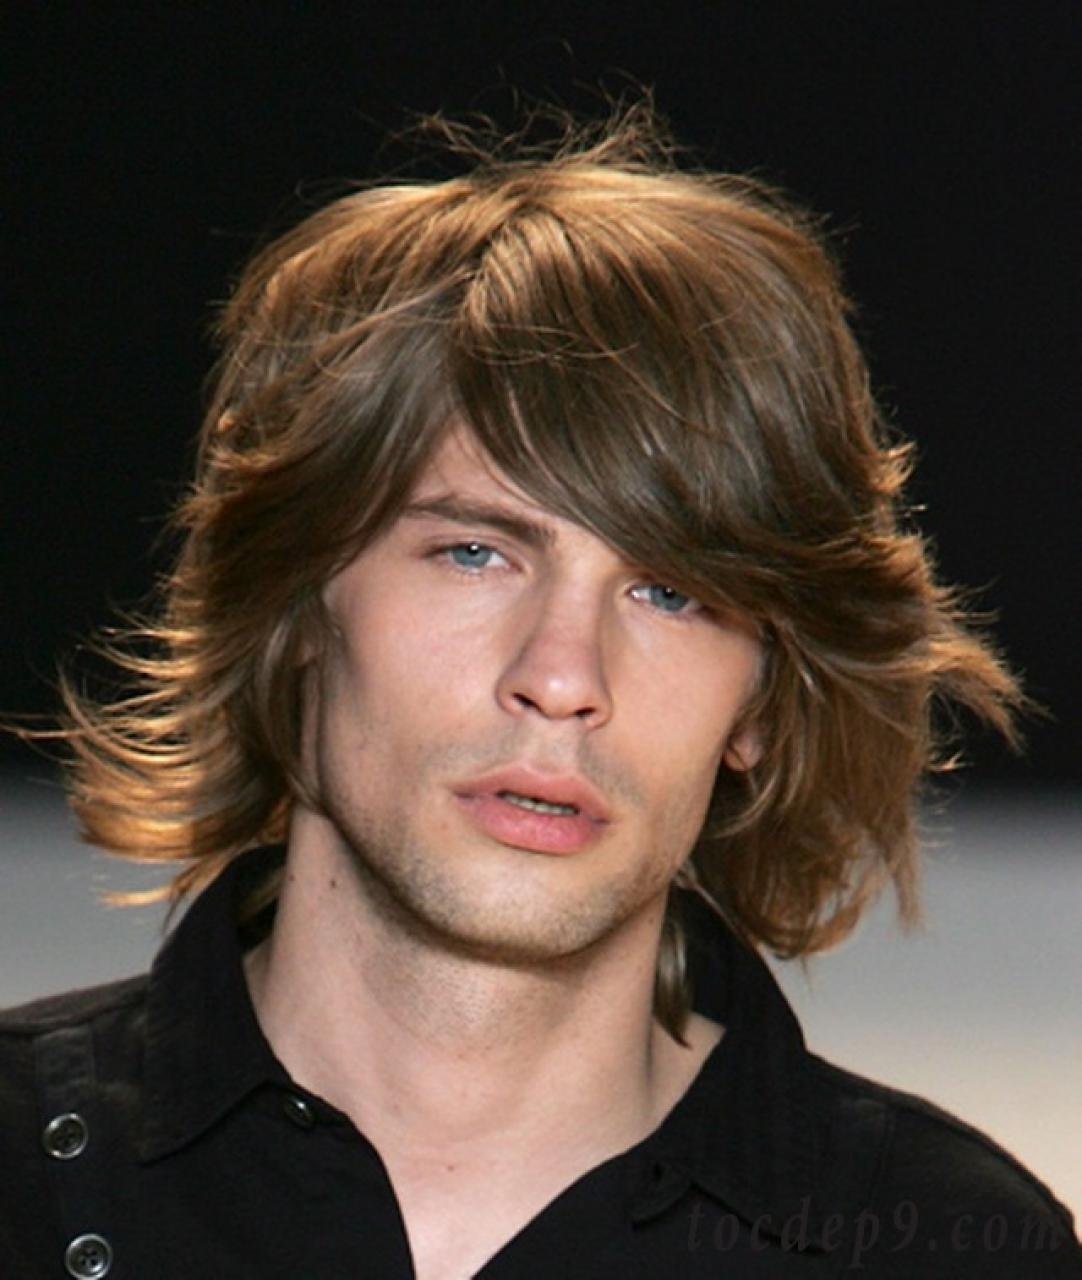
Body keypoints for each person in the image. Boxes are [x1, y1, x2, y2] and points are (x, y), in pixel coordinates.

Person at [1, 106, 1078, 1280]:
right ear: (298, 606)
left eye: (670, 593)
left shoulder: (949, 1248)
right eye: (475, 552)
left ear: (764, 703)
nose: (561, 678)